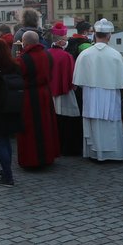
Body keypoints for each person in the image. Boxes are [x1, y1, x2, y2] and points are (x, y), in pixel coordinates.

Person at [72, 18, 123, 162]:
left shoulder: (85, 54)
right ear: (109, 35)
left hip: (91, 95)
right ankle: (114, 154)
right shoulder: (115, 55)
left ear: (94, 34)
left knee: (93, 122)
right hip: (110, 95)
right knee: (111, 123)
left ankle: (94, 153)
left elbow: (78, 81)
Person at [14, 31, 60, 168]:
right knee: (46, 126)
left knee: (30, 128)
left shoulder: (23, 59)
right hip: (45, 93)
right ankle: (48, 156)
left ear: (25, 42)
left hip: (29, 96)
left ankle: (31, 159)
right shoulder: (47, 54)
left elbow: (18, 77)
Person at [47, 24, 81, 157]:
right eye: (65, 38)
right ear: (61, 40)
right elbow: (73, 78)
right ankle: (68, 149)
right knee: (68, 123)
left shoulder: (46, 54)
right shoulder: (66, 56)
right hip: (65, 94)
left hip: (50, 94)